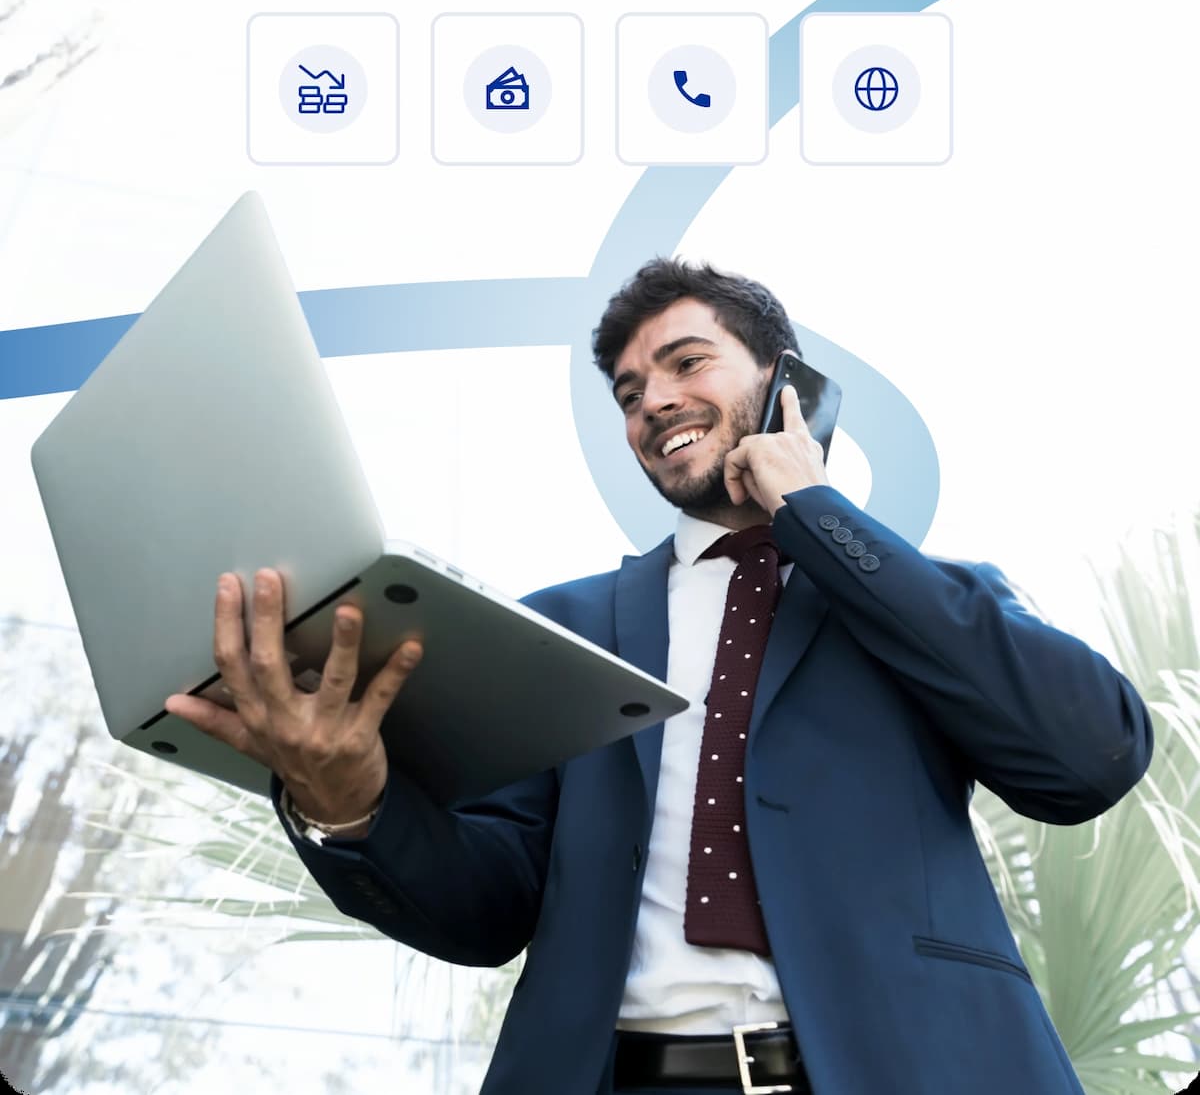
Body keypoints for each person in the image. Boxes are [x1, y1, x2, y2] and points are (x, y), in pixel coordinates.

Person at [166, 258, 1153, 1095]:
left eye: (686, 364)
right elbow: (487, 910)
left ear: (785, 385)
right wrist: (351, 807)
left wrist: (812, 511)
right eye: (631, 394)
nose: (654, 403)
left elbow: (1087, 758)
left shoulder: (916, 603)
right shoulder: (565, 629)